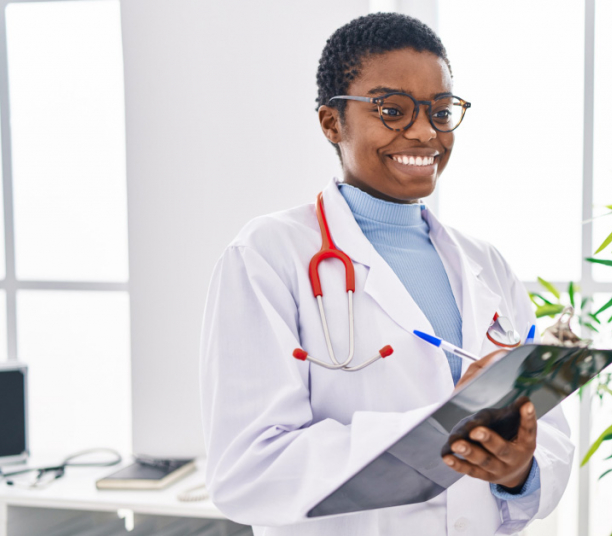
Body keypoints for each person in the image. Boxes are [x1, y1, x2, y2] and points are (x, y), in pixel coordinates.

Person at [199, 13, 573, 535]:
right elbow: (250, 470)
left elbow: (550, 433)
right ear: (333, 123)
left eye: (440, 112)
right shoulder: (267, 255)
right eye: (392, 110)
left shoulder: (486, 264)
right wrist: (439, 429)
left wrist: (518, 471)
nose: (424, 132)